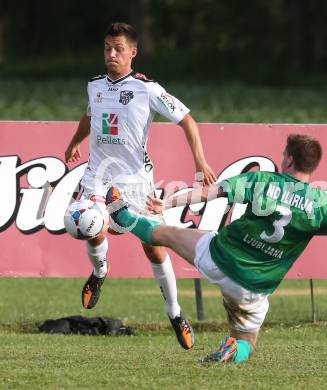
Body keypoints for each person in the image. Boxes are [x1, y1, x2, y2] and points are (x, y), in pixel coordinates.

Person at [104, 134, 327, 363]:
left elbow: (209, 193)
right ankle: (234, 350)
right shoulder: (322, 204)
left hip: (220, 257)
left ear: (289, 159)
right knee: (247, 340)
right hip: (254, 287)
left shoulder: (262, 181)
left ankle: (124, 217)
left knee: (165, 234)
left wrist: (167, 204)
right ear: (313, 166)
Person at [64, 22, 216, 350]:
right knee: (91, 226)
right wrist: (75, 141)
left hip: (136, 185)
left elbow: (187, 119)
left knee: (154, 246)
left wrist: (200, 162)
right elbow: (90, 116)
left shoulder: (148, 89)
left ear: (133, 52)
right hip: (96, 177)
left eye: (118, 48)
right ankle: (100, 272)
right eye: (107, 47)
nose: (111, 54)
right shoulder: (94, 86)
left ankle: (175, 314)